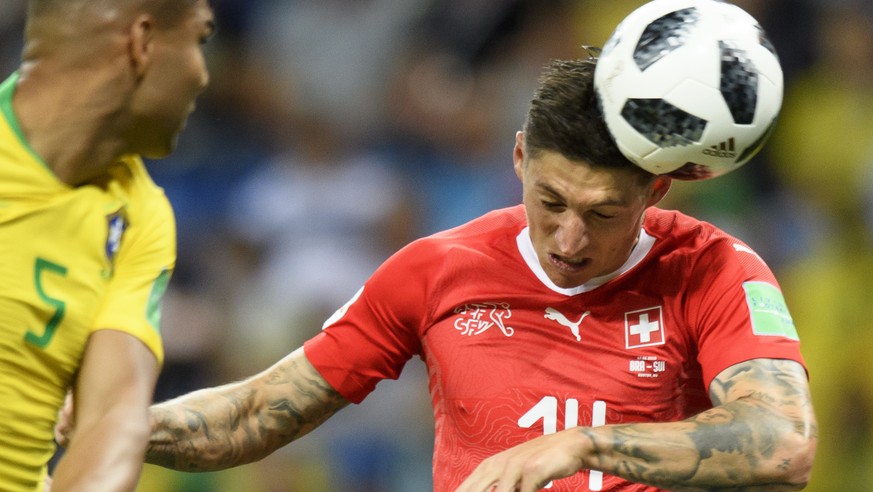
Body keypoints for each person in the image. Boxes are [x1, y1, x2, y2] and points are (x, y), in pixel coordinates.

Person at [60, 54, 817, 491]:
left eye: (604, 213)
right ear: (518, 157)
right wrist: (120, 425)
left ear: (655, 191)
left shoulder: (714, 271)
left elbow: (780, 442)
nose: (569, 236)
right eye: (549, 201)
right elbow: (257, 414)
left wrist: (586, 444)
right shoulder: (435, 271)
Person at [0, 0, 214, 490]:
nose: (204, 76)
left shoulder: (140, 215)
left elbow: (112, 417)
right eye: (200, 40)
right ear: (143, 43)